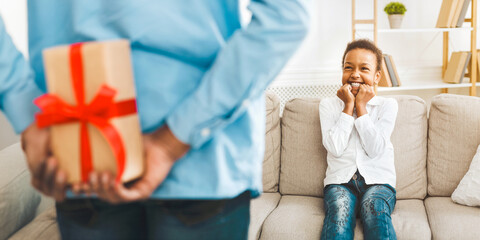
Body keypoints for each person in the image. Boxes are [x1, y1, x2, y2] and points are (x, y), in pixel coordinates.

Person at [0, 1, 310, 239]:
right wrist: (171, 140)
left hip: (80, 147)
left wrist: (24, 111)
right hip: (202, 166)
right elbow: (285, 20)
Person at [319, 39, 398, 240]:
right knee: (339, 213)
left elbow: (375, 148)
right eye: (348, 68)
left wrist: (361, 107)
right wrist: (348, 107)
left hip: (379, 182)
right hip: (340, 183)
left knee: (375, 210)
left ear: (376, 76)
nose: (355, 74)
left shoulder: (388, 106)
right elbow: (335, 148)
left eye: (364, 68)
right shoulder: (328, 105)